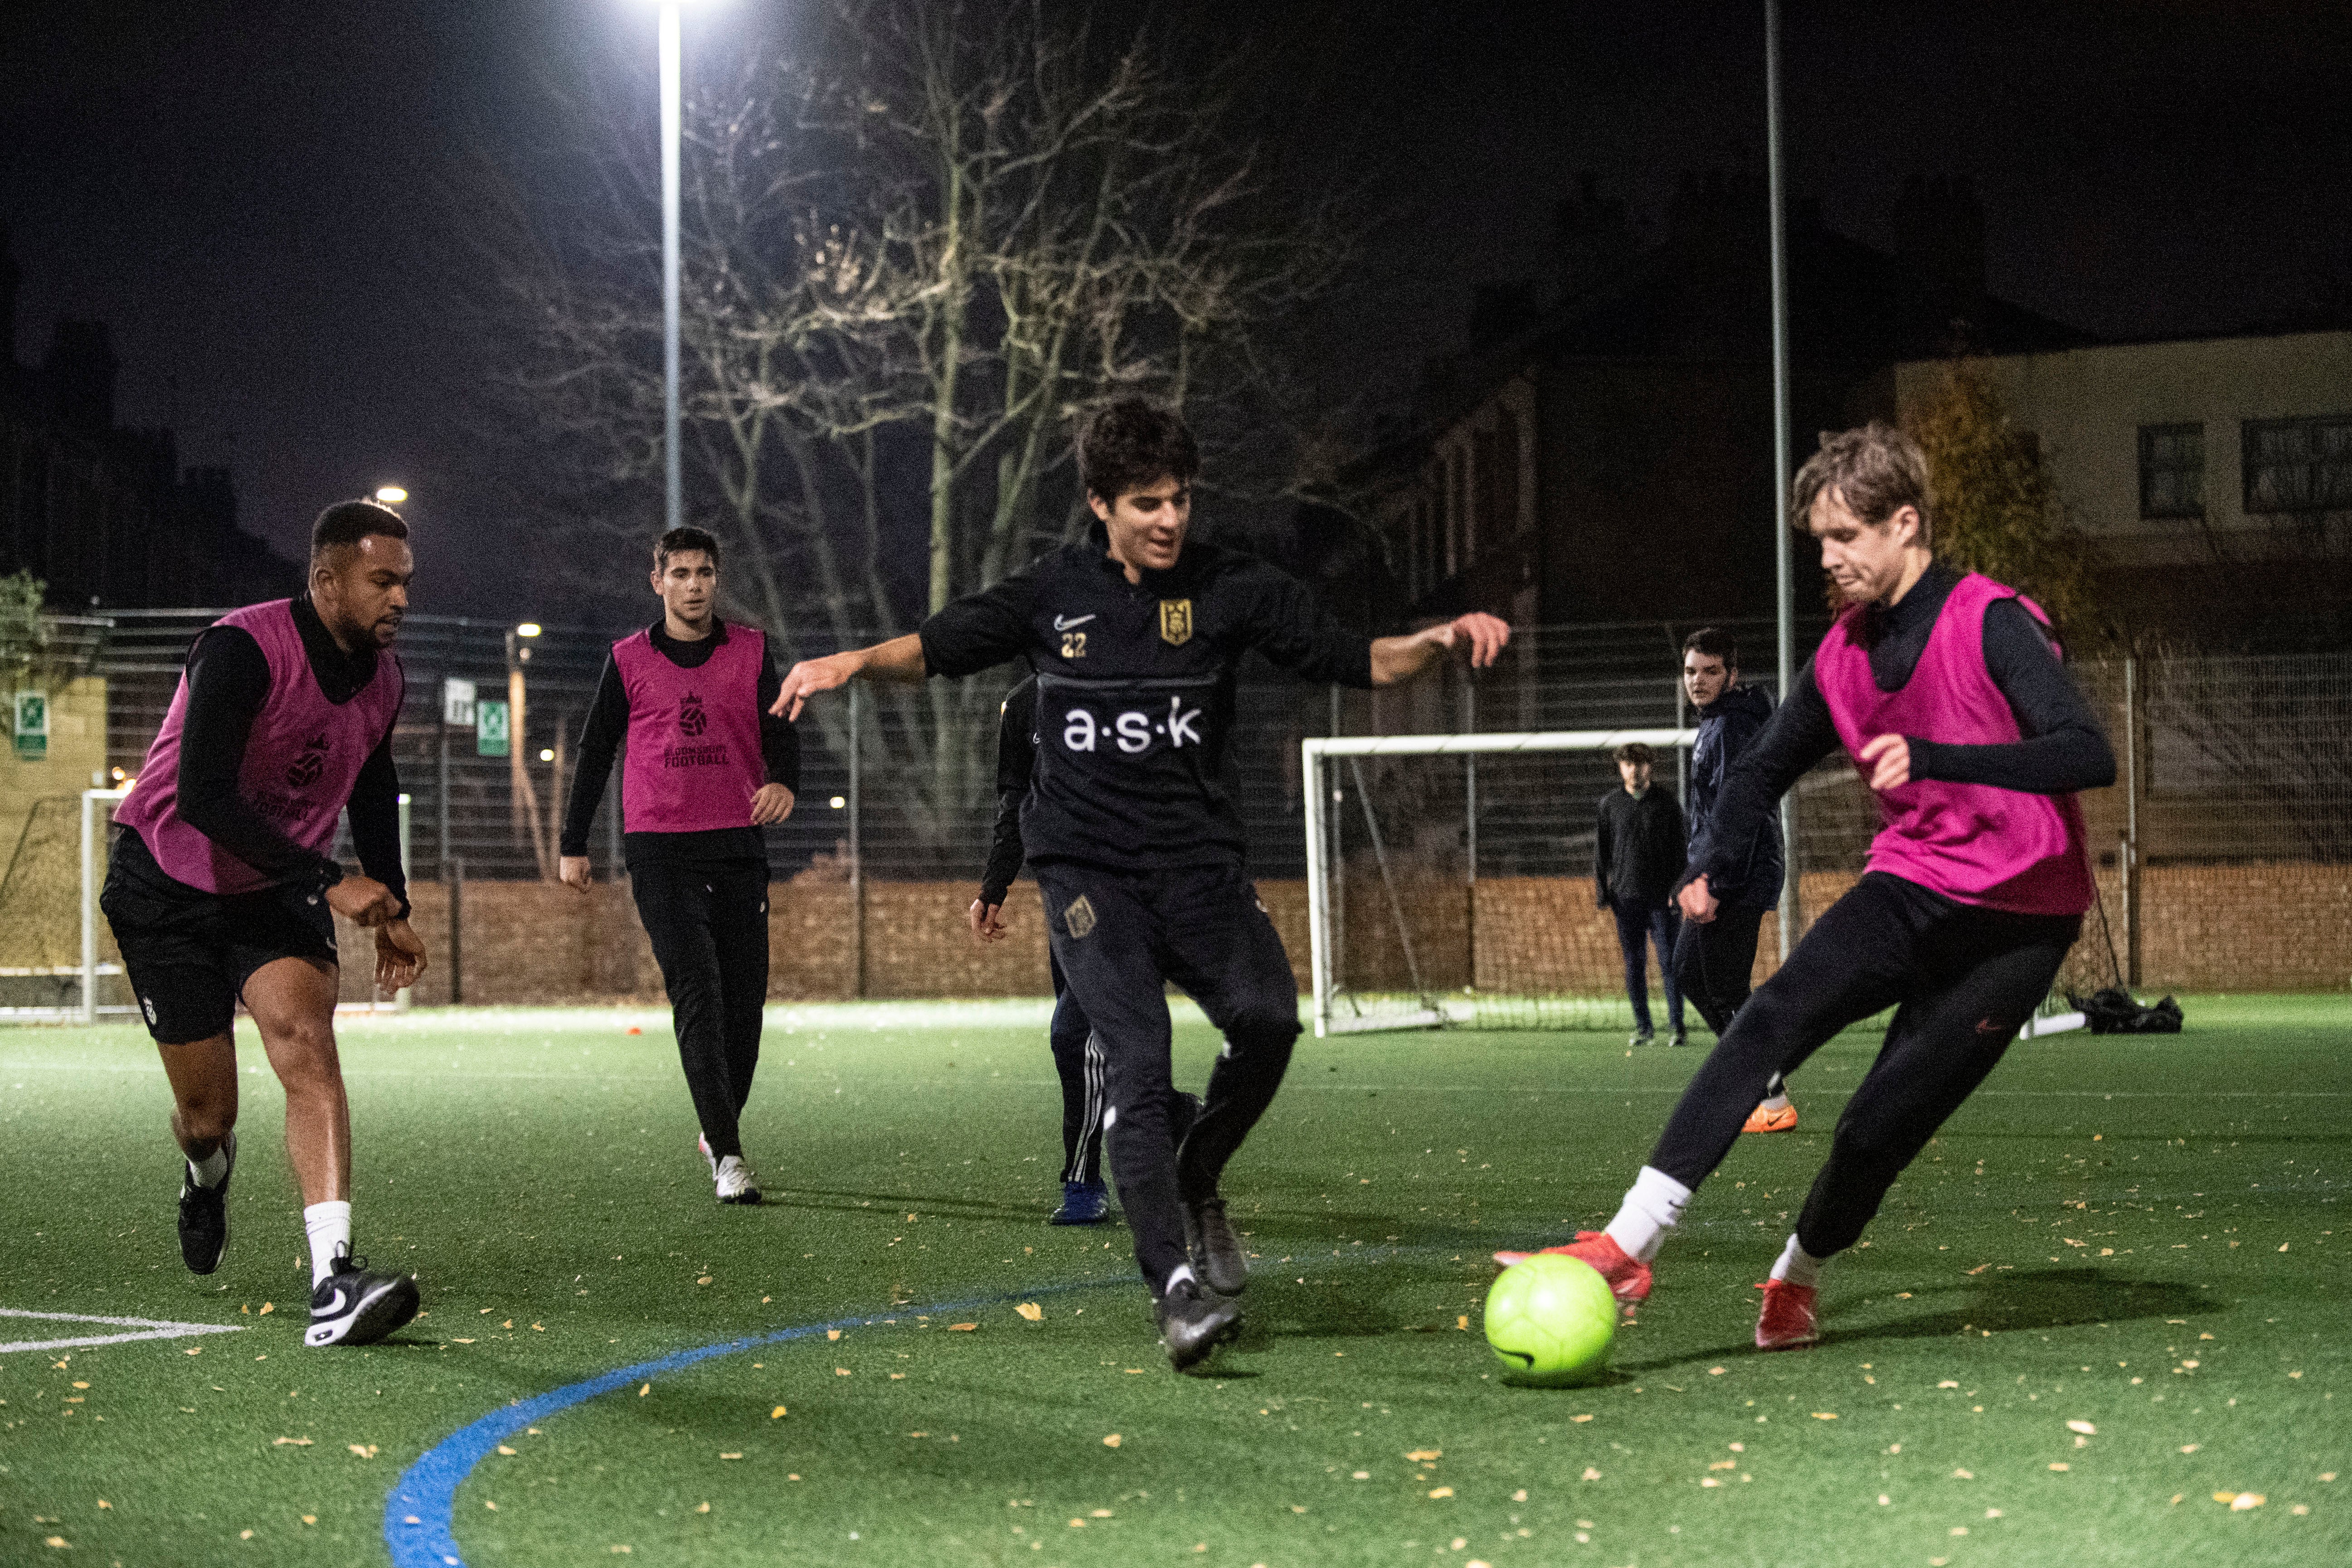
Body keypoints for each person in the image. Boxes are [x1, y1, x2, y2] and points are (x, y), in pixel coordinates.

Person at [774, 398, 1508, 1369]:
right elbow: (938, 646)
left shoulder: (1232, 588)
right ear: (1099, 504)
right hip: (1087, 875)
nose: (1169, 519)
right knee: (1136, 1051)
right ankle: (1172, 1285)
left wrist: (1439, 638)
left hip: (1199, 869)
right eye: (1146, 502)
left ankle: (1197, 1173)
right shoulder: (1051, 594)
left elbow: (1357, 659)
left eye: (1181, 499)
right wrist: (850, 663)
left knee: (1271, 1022)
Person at [1497, 423, 2114, 1354]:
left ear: (1905, 524)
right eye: (1817, 540)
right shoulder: (1838, 656)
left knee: (1874, 1128)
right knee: (1769, 1013)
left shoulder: (1989, 620)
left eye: (1844, 536)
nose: (1826, 557)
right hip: (1911, 883)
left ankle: (1797, 1273)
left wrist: (1938, 755)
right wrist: (1706, 853)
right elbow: (1758, 768)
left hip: (2019, 922)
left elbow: (2085, 750)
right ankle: (1626, 1243)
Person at [102, 499, 429, 1348]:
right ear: (326, 580)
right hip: (168, 882)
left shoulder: (385, 677)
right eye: (381, 580)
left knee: (308, 1044)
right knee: (209, 1113)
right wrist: (330, 879)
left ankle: (334, 1279)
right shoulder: (242, 648)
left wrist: (390, 898)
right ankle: (205, 1172)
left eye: (405, 581)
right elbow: (203, 797)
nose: (399, 597)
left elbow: (370, 778)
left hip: (272, 890)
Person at [559, 526, 800, 1204]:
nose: (694, 585)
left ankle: (715, 1123)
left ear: (716, 579)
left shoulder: (752, 651)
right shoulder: (628, 658)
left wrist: (784, 779)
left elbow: (782, 729)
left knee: (744, 1003)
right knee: (697, 991)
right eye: (681, 573)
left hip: (738, 842)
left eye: (704, 573)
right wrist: (573, 842)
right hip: (660, 847)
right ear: (657, 580)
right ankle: (729, 1154)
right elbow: (596, 748)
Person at [971, 674, 1113, 1224]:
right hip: (1067, 900)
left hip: (1130, 896)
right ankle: (1172, 1115)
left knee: (1073, 1035)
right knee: (1100, 1048)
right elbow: (1015, 803)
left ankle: (1081, 1181)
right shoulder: (1025, 703)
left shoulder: (1124, 687)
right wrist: (994, 886)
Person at [1672, 627, 1797, 1131]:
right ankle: (1754, 1084)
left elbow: (1738, 814)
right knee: (1688, 974)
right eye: (1689, 671)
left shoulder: (1730, 728)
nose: (1697, 681)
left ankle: (1770, 1100)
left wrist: (1715, 885)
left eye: (1710, 671)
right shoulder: (1719, 722)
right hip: (1720, 873)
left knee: (1724, 987)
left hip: (1735, 877)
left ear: (1732, 675)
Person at [1593, 742, 1686, 1048]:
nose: (1635, 769)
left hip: (1663, 898)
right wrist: (1603, 892)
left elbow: (1681, 852)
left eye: (1641, 763)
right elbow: (1601, 852)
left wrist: (1679, 889)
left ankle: (1678, 1026)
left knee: (1670, 962)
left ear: (1650, 767)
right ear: (1621, 768)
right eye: (1629, 764)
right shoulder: (1609, 806)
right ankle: (1644, 1027)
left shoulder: (1668, 803)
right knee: (1634, 962)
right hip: (1626, 898)